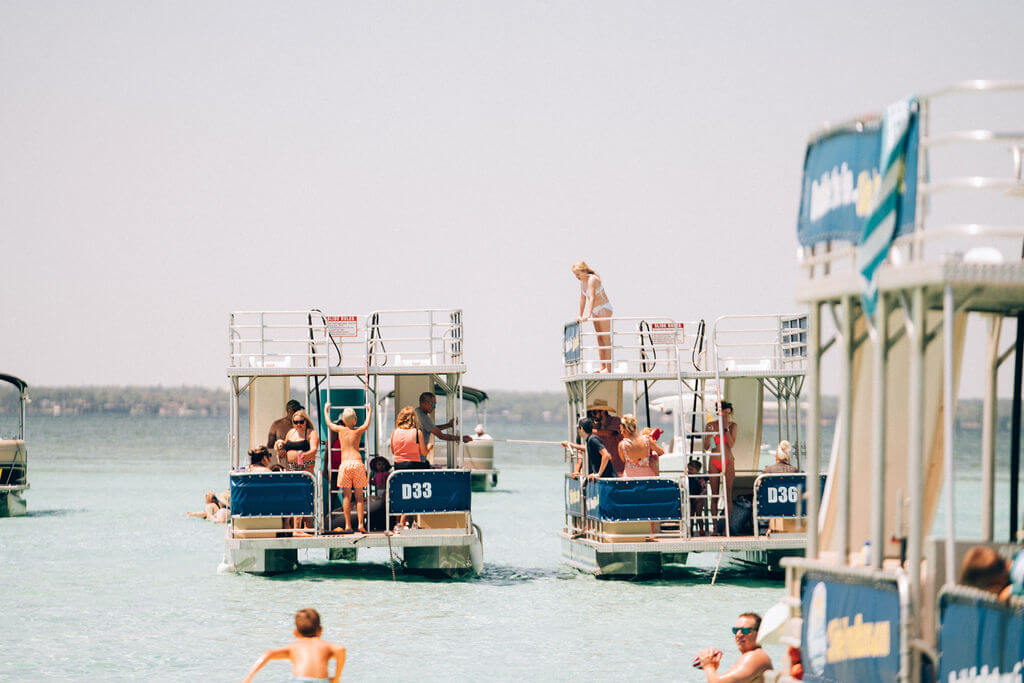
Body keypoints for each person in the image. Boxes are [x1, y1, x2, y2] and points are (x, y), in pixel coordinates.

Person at [242, 608, 346, 683]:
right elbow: (341, 649)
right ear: (320, 630)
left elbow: (268, 654)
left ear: (295, 633)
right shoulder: (326, 646)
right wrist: (336, 677)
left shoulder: (294, 647)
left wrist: (248, 677)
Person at [324, 402, 373, 534]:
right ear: (355, 419)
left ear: (343, 421)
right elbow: (367, 424)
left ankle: (347, 525)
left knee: (346, 497)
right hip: (357, 463)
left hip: (345, 464)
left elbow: (329, 424)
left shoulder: (341, 430)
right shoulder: (358, 430)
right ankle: (361, 524)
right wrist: (369, 411)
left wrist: (325, 410)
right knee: (359, 497)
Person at [695, 612, 773, 683]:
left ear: (759, 633)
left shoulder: (755, 657)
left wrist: (708, 666)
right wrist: (713, 670)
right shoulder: (754, 656)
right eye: (735, 630)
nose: (738, 635)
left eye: (745, 630)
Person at [390, 406, 431, 533]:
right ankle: (403, 522)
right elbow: (423, 452)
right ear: (414, 418)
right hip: (413, 466)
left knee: (401, 494)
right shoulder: (417, 432)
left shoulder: (395, 432)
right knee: (412, 494)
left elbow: (393, 450)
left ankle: (400, 522)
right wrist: (429, 447)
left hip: (398, 467)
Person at [571, 260, 613, 373]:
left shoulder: (592, 279)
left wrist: (588, 315)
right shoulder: (582, 282)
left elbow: (592, 297)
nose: (577, 277)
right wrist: (580, 315)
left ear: (584, 271)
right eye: (575, 275)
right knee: (599, 339)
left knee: (605, 338)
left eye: (578, 274)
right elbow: (583, 299)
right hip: (595, 309)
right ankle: (603, 367)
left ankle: (609, 369)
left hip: (603, 308)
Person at [703, 401, 737, 517]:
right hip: (714, 461)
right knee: (714, 495)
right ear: (719, 412)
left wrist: (726, 429)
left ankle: (727, 527)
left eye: (728, 413)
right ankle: (715, 528)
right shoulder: (710, 425)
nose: (726, 415)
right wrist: (711, 435)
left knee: (728, 495)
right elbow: (707, 447)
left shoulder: (733, 426)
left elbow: (731, 444)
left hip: (728, 461)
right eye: (724, 413)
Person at [415, 392, 472, 461]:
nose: (434, 407)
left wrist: (448, 425)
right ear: (423, 403)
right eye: (432, 404)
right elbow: (441, 436)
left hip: (414, 458)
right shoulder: (423, 417)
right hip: (418, 460)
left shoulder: (417, 413)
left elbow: (432, 428)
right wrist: (461, 438)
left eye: (435, 404)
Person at [687, 458, 708, 536]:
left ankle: (701, 529)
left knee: (699, 514)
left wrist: (699, 497)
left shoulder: (700, 478)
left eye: (691, 470)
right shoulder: (688, 478)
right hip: (690, 497)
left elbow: (704, 489)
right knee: (691, 514)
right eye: (688, 469)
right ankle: (691, 530)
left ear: (698, 470)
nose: (689, 471)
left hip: (699, 497)